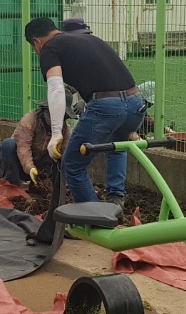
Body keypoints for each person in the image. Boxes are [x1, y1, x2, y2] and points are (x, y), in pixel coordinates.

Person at [24, 16, 145, 204]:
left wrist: (56, 133)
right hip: (136, 103)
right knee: (117, 147)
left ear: (36, 42)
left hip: (108, 107)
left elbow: (56, 88)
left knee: (72, 165)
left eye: (34, 49)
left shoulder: (49, 48)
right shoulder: (89, 39)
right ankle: (116, 201)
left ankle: (96, 217)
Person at [0, 101, 70, 185]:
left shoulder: (65, 130)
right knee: (8, 144)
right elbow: (23, 147)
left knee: (58, 156)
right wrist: (30, 168)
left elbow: (67, 155)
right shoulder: (30, 120)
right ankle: (11, 184)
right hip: (18, 164)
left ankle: (44, 185)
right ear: (46, 111)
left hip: (41, 166)